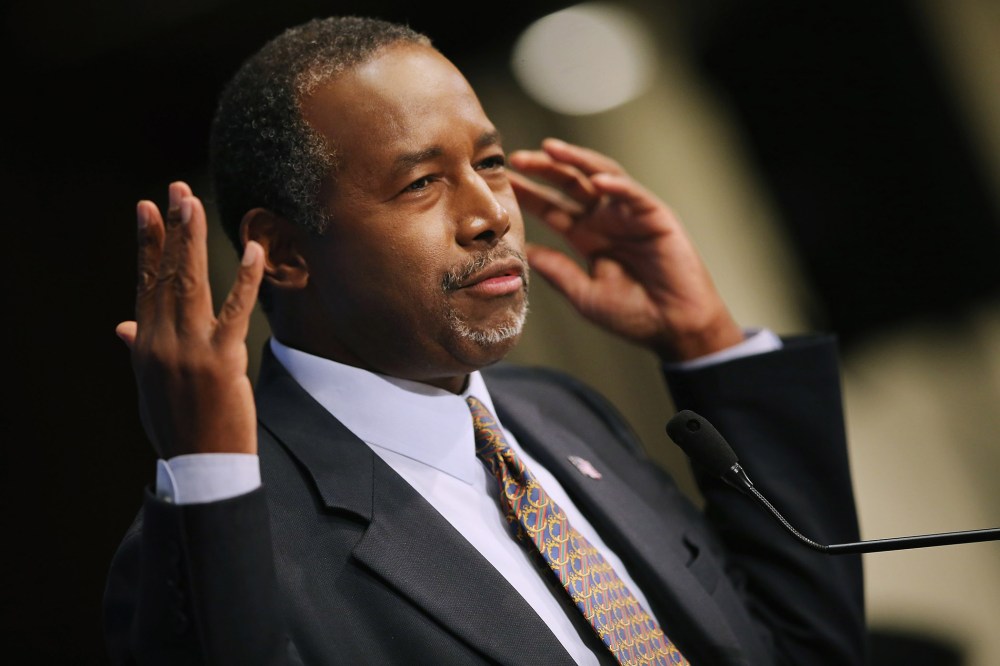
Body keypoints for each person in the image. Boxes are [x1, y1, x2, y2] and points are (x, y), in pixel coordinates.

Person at [104, 16, 864, 666]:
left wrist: (707, 342)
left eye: (490, 162)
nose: (490, 214)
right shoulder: (226, 537)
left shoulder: (562, 415)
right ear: (288, 252)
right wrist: (206, 473)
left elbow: (808, 648)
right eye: (421, 183)